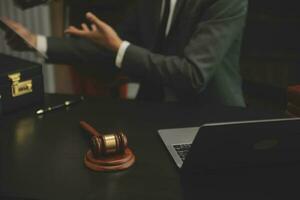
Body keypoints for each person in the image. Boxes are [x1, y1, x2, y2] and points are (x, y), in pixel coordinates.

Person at [3, 0, 248, 106]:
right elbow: (110, 49)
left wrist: (119, 47)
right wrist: (36, 42)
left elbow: (192, 75)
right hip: (154, 109)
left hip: (211, 114)